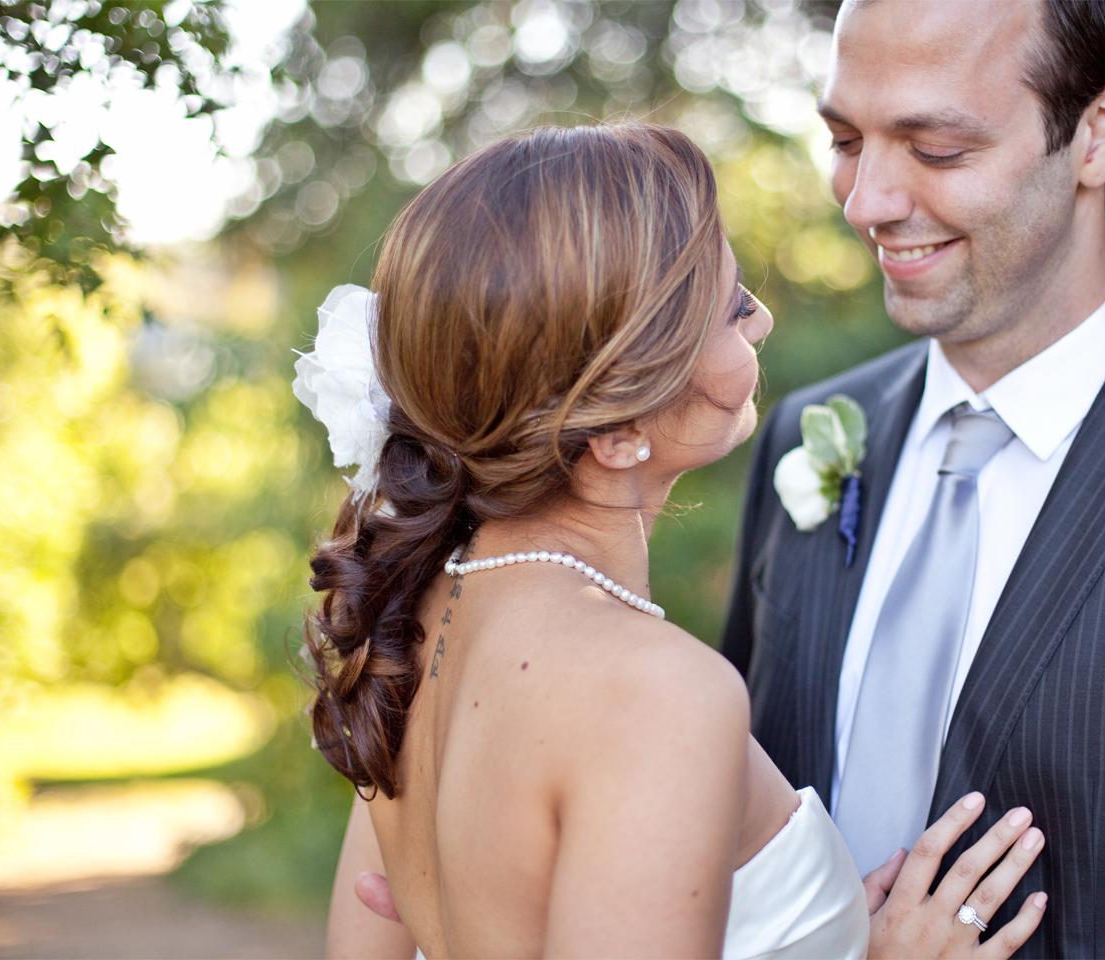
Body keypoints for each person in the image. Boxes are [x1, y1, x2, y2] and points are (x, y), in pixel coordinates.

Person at [296, 123, 1049, 958]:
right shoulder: (657, 692)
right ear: (615, 430)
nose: (760, 321)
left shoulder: (413, 626)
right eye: (730, 308)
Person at [721, 0, 1105, 956]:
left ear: (1100, 131)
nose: (867, 202)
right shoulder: (802, 441)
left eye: (935, 149)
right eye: (848, 139)